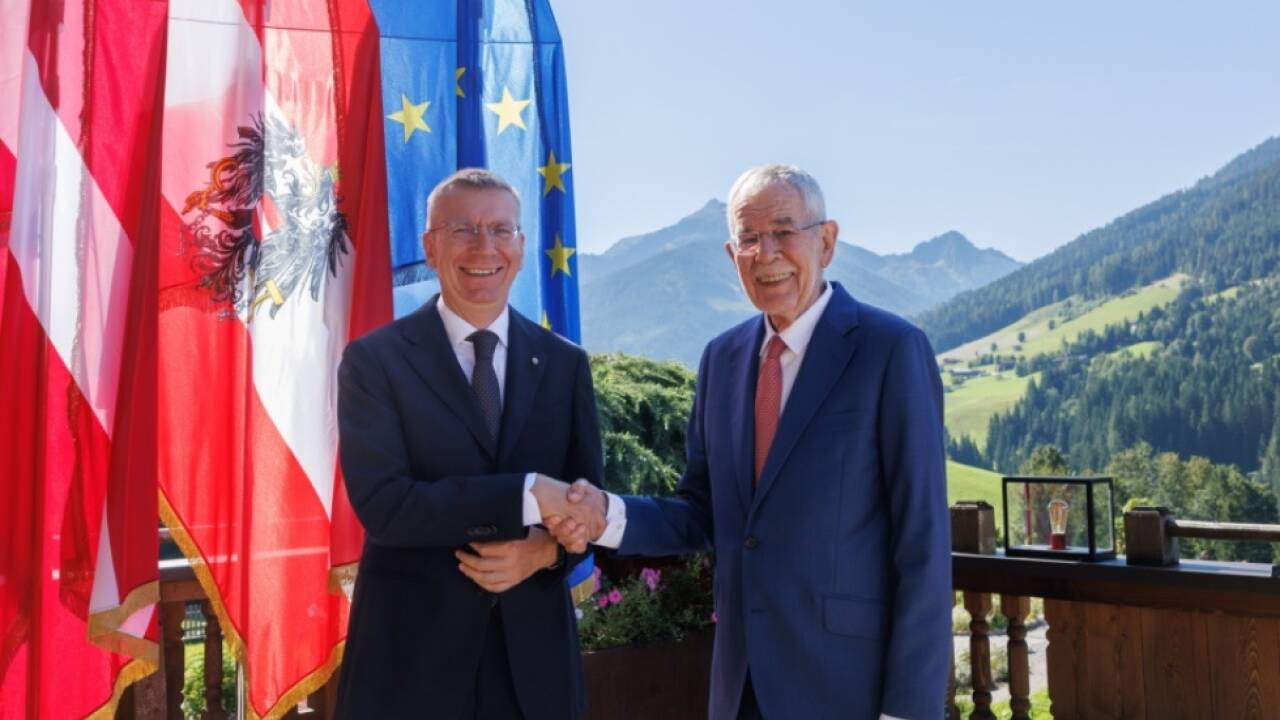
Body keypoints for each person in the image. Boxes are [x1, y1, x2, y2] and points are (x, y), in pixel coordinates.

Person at [552, 164, 952, 719]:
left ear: (827, 241)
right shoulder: (721, 358)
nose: (765, 254)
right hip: (739, 687)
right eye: (749, 238)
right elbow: (701, 511)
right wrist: (606, 516)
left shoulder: (891, 350)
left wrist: (908, 710)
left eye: (784, 232)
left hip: (849, 689)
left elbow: (922, 539)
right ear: (731, 254)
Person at [334, 168, 606, 719]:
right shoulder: (374, 362)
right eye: (462, 229)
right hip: (412, 666)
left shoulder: (565, 364)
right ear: (430, 247)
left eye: (501, 230)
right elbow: (385, 507)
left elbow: (588, 506)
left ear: (521, 248)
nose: (485, 246)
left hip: (534, 671)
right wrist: (526, 494)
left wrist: (546, 551)